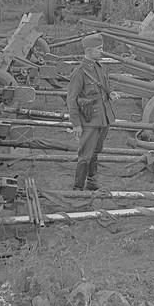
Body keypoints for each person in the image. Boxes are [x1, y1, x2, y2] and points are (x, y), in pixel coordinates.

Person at [66, 33, 120, 190]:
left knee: (96, 150)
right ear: (88, 50)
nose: (102, 51)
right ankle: (77, 188)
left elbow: (105, 85)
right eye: (99, 48)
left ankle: (92, 181)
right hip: (89, 120)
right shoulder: (79, 72)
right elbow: (71, 99)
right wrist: (76, 124)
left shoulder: (99, 67)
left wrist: (111, 93)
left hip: (104, 117)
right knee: (85, 154)